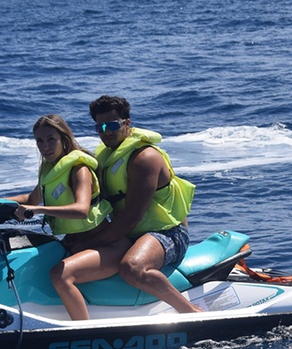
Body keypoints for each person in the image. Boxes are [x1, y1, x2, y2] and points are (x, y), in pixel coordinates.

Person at [0, 114, 129, 320]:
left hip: (107, 247)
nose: (45, 146)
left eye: (51, 139)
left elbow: (81, 209)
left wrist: (37, 210)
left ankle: (82, 331)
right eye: (39, 141)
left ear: (64, 140)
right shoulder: (49, 170)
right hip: (77, 243)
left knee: (60, 275)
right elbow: (31, 198)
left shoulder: (79, 169)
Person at [63, 95, 201, 315]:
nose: (106, 132)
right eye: (100, 127)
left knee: (131, 268)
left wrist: (94, 241)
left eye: (112, 125)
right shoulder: (106, 156)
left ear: (127, 123)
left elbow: (131, 216)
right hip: (129, 234)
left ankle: (191, 312)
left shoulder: (145, 158)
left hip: (167, 233)